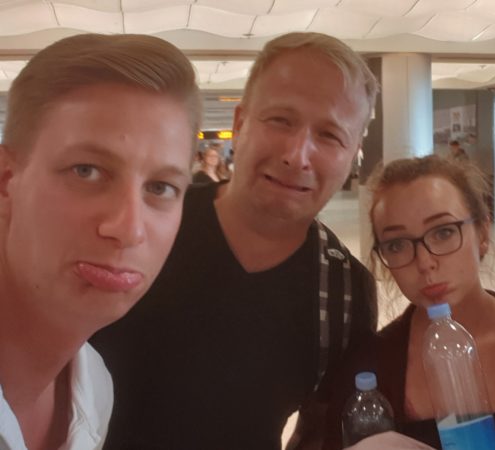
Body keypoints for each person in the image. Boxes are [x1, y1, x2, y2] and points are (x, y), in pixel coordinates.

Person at [90, 32, 379, 450]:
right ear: (240, 123)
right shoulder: (144, 222)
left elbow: (320, 425)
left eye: (330, 136)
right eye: (280, 120)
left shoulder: (344, 291)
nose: (297, 155)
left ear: (353, 155)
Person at [310, 155, 495, 450]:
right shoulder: (367, 369)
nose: (425, 262)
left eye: (443, 232)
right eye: (397, 244)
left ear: (482, 233)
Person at [0, 33, 200, 450]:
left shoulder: (93, 387)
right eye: (86, 171)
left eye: (160, 188)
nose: (129, 229)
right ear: (6, 183)